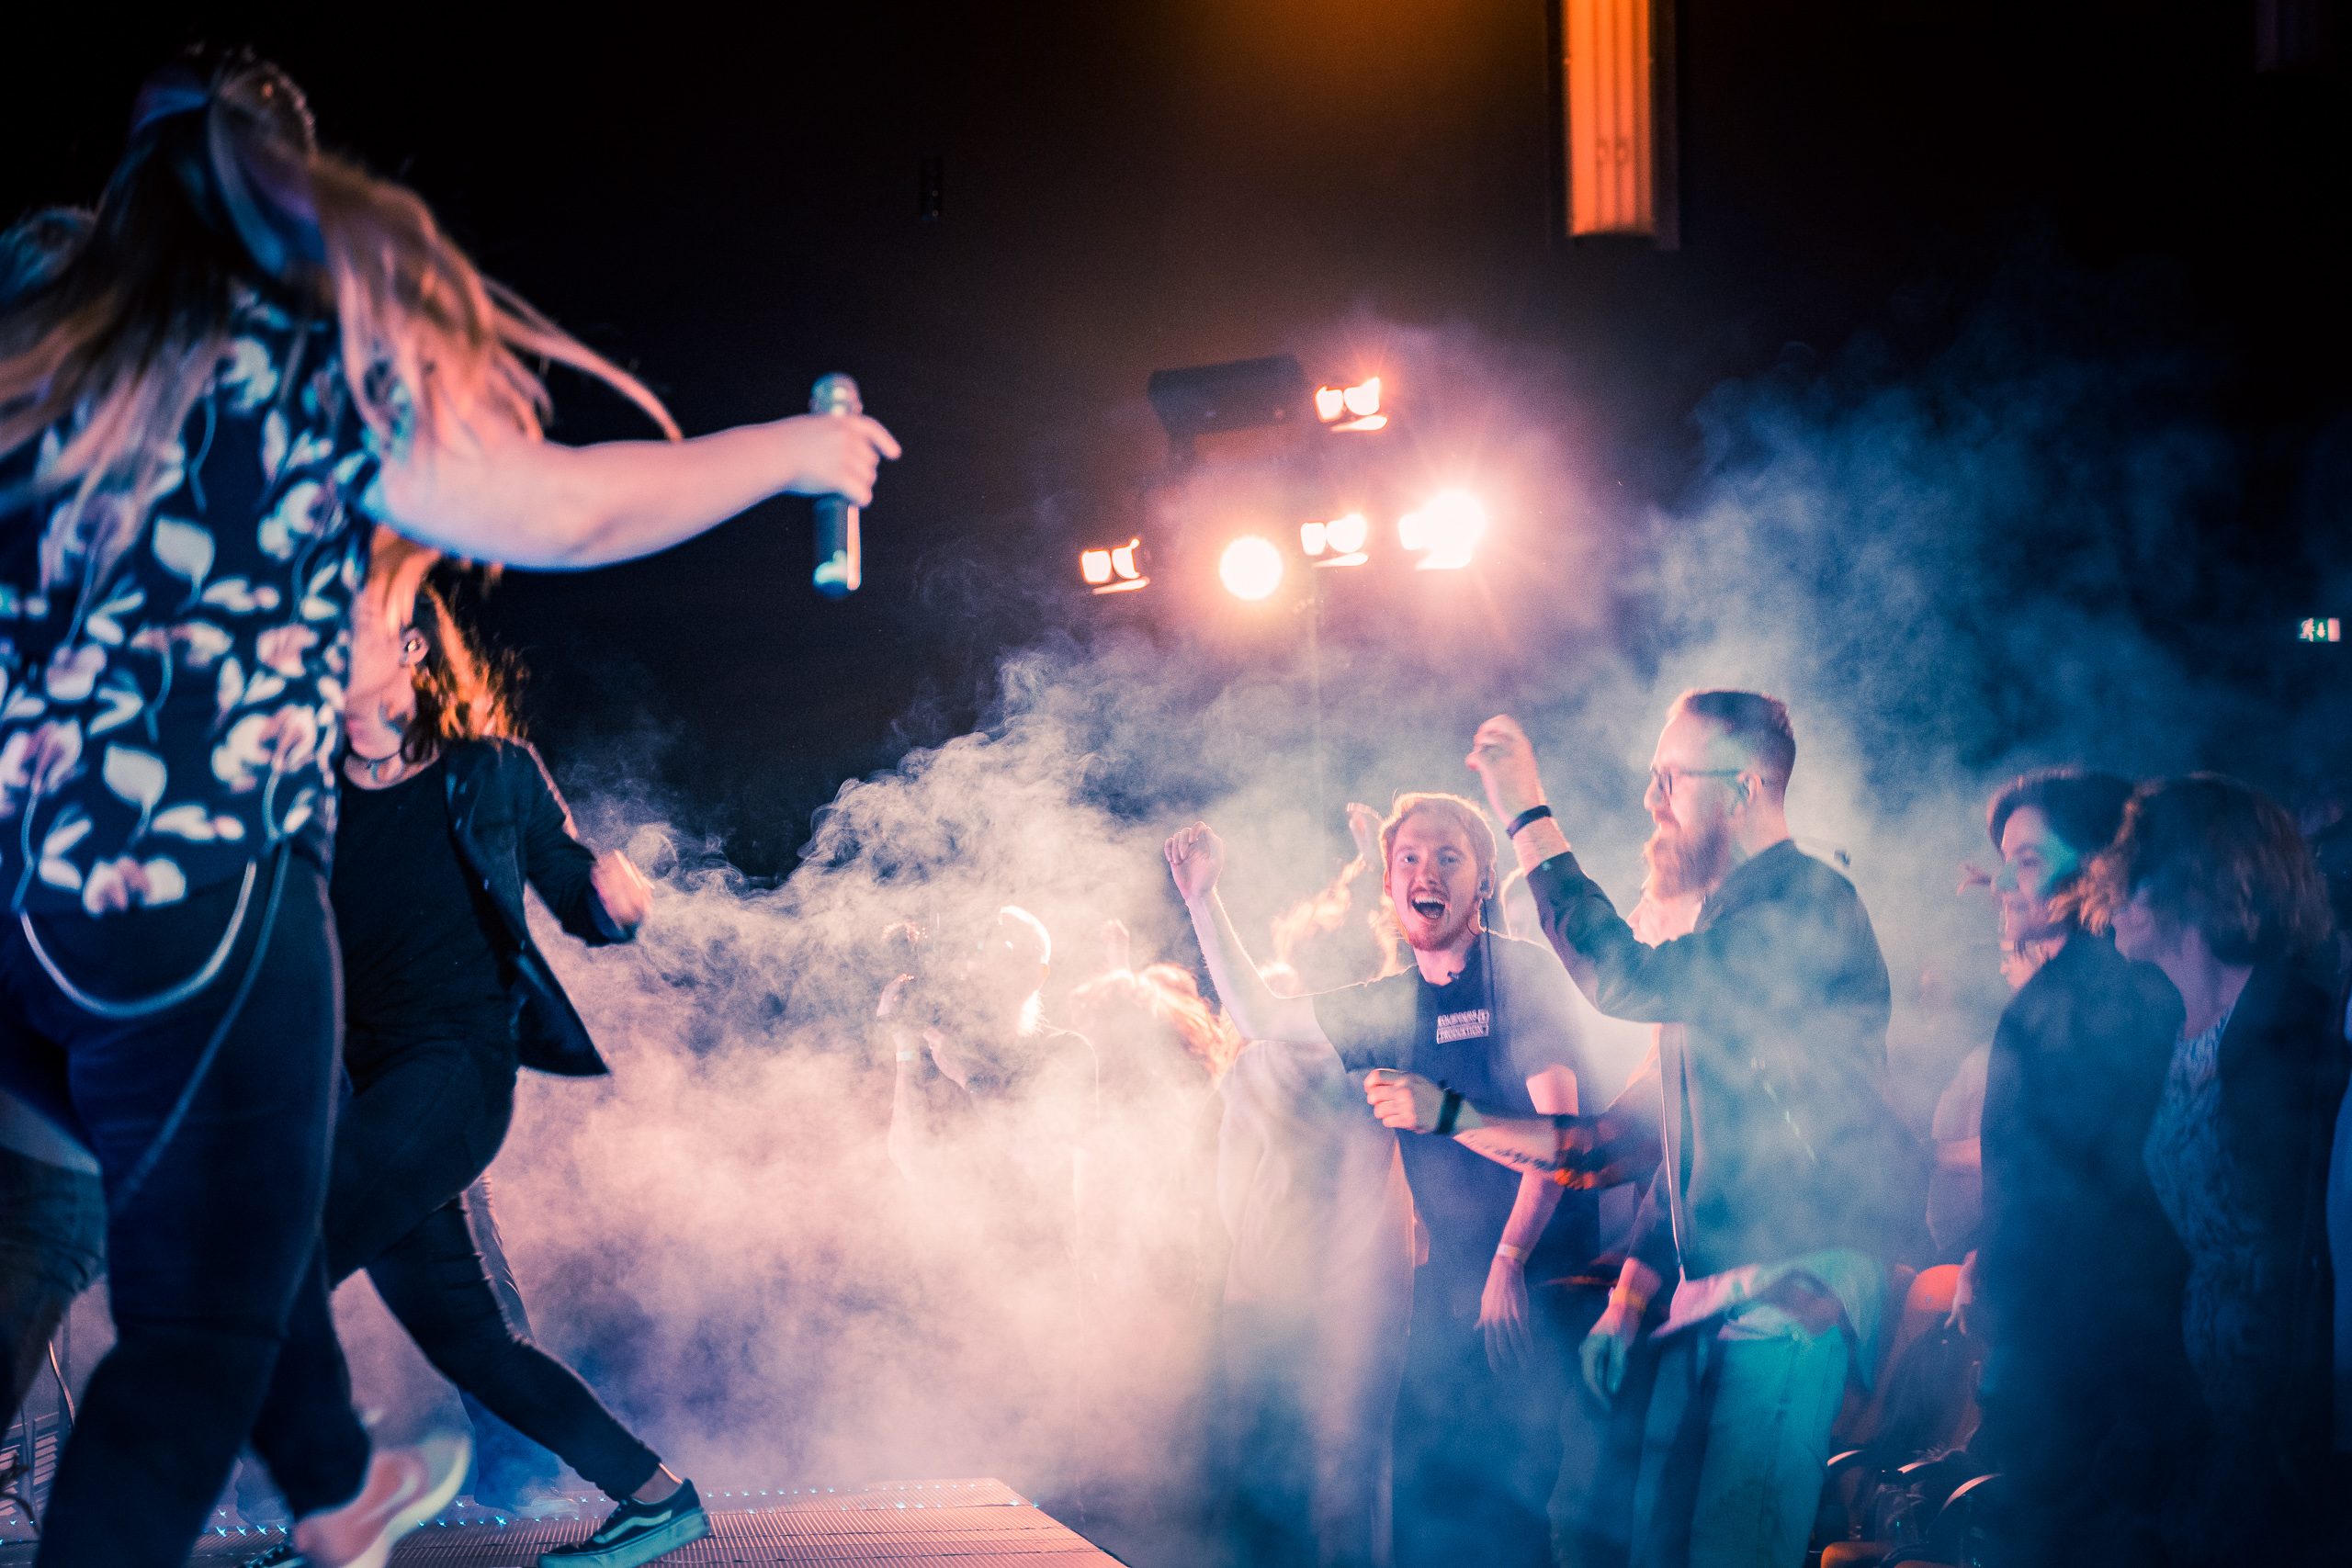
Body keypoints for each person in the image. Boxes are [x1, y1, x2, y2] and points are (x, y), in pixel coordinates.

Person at [0, 50, 896, 1568]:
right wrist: (793, 454)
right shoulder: (296, 396)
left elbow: (565, 864)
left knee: (135, 1253)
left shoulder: (55, 388)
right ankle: (335, 1476)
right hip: (213, 950)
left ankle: (327, 1469)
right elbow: (568, 507)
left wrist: (612, 893)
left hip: (119, 950)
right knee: (241, 1295)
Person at [236, 550, 706, 1568]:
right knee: (477, 1345)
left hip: (454, 1073)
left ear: (407, 649)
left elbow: (575, 889)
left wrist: (616, 904)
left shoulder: (489, 773)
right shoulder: (301, 797)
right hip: (365, 1093)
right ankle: (657, 1497)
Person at [1455, 695, 1914, 1568]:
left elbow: (1622, 977)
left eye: (1670, 776)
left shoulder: (1806, 905)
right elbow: (1667, 1143)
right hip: (1727, 1284)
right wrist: (1629, 1303)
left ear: (1741, 791)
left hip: (1796, 1275)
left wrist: (1526, 812)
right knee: (1652, 1537)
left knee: (1731, 1550)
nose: (1651, 798)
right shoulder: (1733, 924)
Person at [1166, 793, 1593, 1568]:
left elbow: (1568, 1143)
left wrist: (1510, 1260)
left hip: (1538, 1280)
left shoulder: (1518, 976)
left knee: (1505, 1511)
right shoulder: (1396, 1000)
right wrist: (1203, 899)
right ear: (1390, 886)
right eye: (1409, 859)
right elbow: (1263, 1015)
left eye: (1448, 858)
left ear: (1484, 880)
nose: (1426, 871)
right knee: (1428, 1505)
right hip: (1454, 1285)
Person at [2088, 773, 2348, 1551]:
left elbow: (2313, 1242)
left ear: (2197, 882)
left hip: (2286, 1416)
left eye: (2133, 875)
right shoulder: (2163, 1031)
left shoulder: (2297, 1029)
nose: (2111, 897)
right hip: (2202, 1405)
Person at [1962, 770, 2193, 1566]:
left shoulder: (2096, 993)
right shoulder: (2074, 988)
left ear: (2095, 864)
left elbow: (2076, 1187)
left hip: (2080, 1352)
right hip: (2079, 1344)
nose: (2004, 884)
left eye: (2027, 859)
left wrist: (2003, 1291)